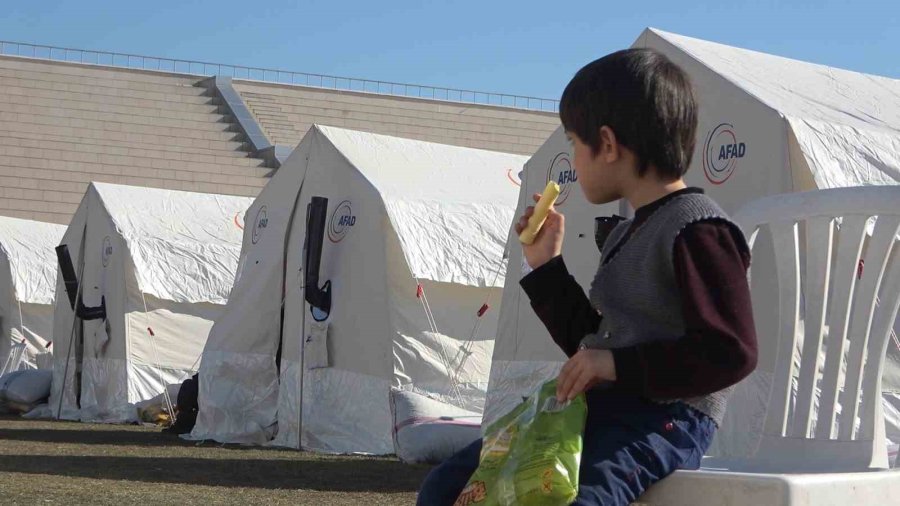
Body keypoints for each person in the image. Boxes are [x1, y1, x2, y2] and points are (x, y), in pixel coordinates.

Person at [417, 48, 758, 505]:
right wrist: (546, 266)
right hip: (606, 409)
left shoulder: (698, 229)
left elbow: (730, 352)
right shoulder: (626, 234)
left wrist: (615, 365)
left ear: (609, 144)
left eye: (574, 144)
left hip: (668, 418)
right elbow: (592, 343)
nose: (573, 161)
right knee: (448, 487)